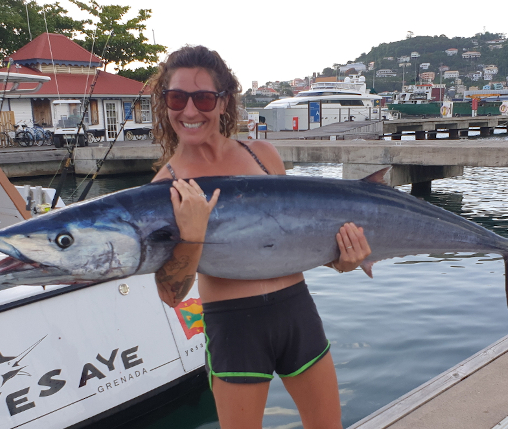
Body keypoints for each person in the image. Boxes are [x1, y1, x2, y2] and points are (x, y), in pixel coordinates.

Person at [150, 45, 371, 429]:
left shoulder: (263, 156)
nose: (188, 111)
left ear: (223, 102)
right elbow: (171, 295)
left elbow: (296, 240)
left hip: (296, 311)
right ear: (164, 102)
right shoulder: (163, 189)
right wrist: (191, 234)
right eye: (176, 97)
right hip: (234, 328)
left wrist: (342, 258)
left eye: (202, 98)